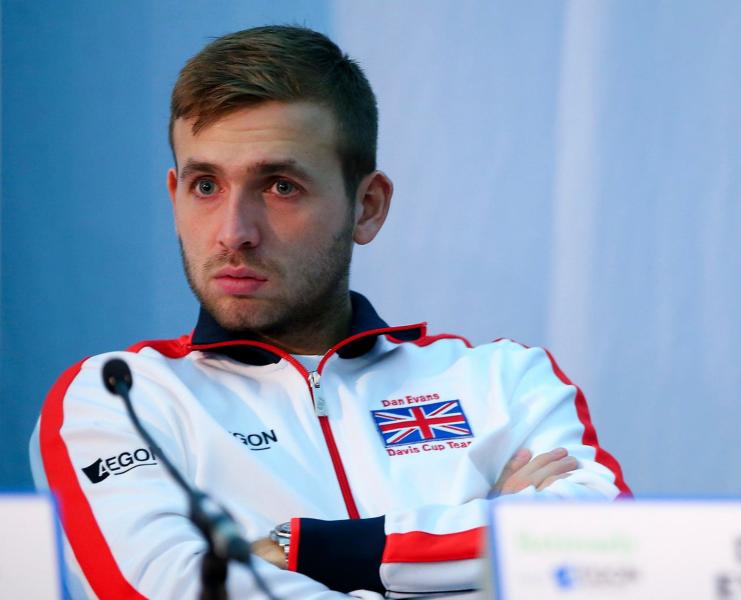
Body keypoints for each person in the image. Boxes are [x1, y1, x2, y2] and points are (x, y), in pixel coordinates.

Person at [29, 25, 630, 599]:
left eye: (280, 186)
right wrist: (483, 538)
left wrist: (302, 550)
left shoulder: (504, 380)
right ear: (175, 195)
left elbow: (606, 554)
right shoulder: (123, 397)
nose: (233, 233)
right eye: (206, 186)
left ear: (366, 207)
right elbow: (165, 590)